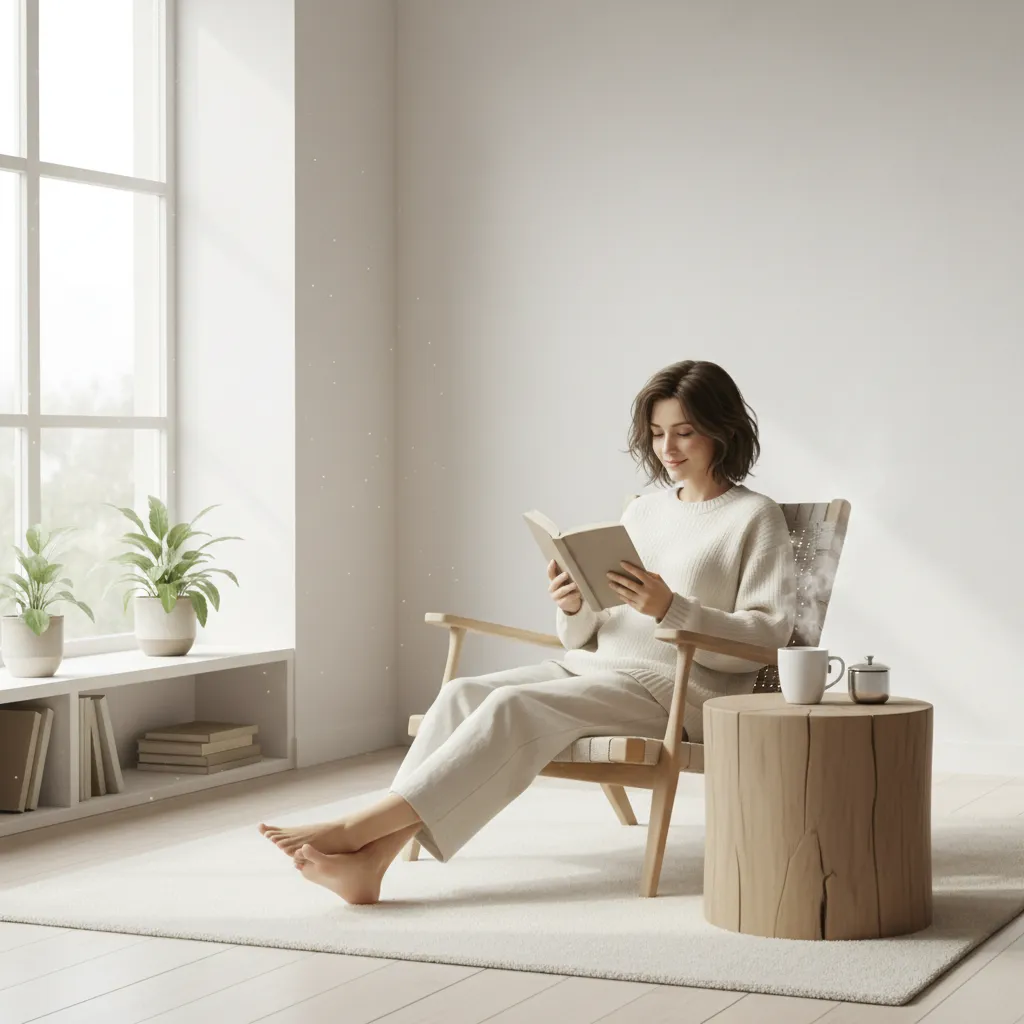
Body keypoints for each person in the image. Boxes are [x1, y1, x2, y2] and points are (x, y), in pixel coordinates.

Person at [260, 359, 797, 904]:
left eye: (683, 432)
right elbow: (591, 630)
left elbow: (765, 640)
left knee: (512, 708)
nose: (667, 449)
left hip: (676, 692)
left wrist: (672, 609)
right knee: (462, 693)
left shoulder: (755, 517)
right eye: (657, 434)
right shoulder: (643, 511)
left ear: (723, 429)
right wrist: (573, 607)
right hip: (594, 670)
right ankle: (372, 862)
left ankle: (354, 829)